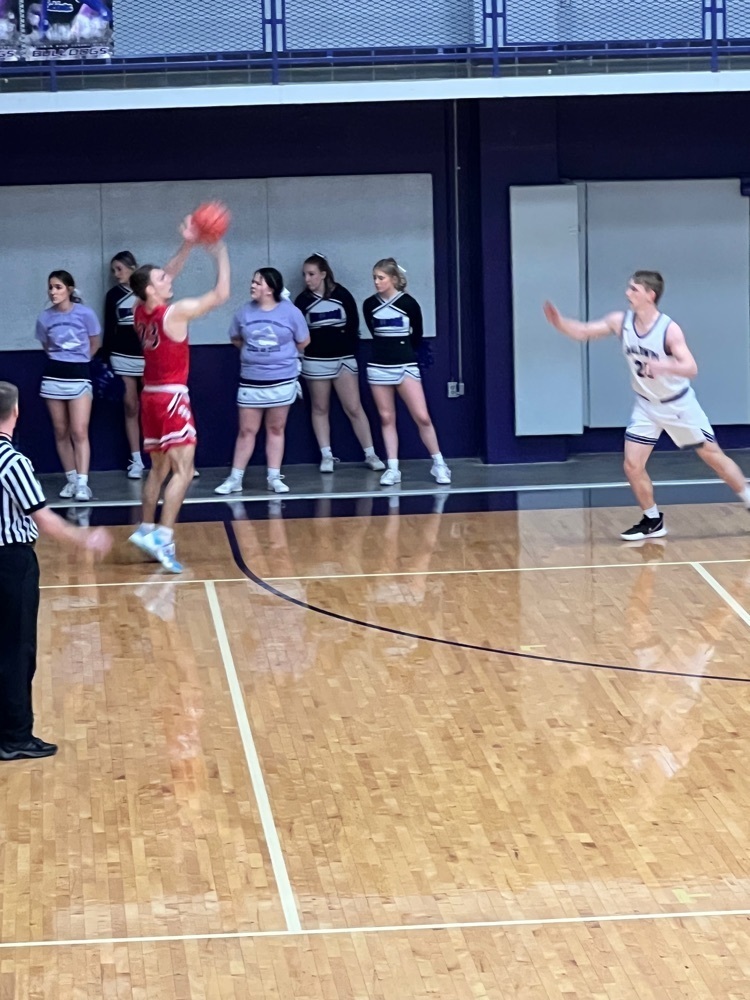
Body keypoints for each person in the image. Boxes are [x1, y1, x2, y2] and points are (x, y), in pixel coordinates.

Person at [543, 269, 750, 540]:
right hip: (646, 406)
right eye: (629, 288)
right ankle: (653, 520)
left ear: (650, 295)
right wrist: (559, 322)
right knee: (632, 465)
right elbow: (583, 332)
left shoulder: (668, 329)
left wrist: (664, 366)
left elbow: (691, 368)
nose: (627, 293)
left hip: (678, 405)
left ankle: (747, 497)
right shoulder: (621, 321)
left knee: (714, 458)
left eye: (634, 289)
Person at [0, 381, 111, 761]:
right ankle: (14, 737)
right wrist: (85, 539)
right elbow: (44, 519)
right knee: (16, 651)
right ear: (15, 413)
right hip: (10, 563)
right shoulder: (13, 462)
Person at [128, 218, 230, 573]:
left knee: (158, 469)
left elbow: (161, 275)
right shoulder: (176, 312)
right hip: (171, 397)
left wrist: (187, 244)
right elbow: (221, 295)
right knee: (184, 472)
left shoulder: (139, 309)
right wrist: (219, 251)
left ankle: (146, 528)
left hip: (150, 397)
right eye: (162, 278)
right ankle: (163, 536)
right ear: (151, 289)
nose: (169, 278)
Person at [215, 267, 310, 496]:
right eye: (253, 281)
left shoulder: (291, 312)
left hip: (282, 380)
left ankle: (274, 478)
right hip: (251, 382)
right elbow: (236, 338)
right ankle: (235, 479)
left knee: (276, 428)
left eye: (258, 282)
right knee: (247, 430)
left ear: (271, 288)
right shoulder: (244, 312)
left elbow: (303, 341)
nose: (253, 285)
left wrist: (280, 358)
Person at [362, 258, 451, 487]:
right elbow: (373, 332)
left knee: (422, 416)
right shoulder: (369, 304)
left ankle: (439, 463)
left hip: (405, 365)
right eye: (374, 278)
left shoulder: (408, 303)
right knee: (386, 417)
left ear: (393, 278)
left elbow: (416, 334)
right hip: (378, 366)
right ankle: (393, 468)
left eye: (381, 278)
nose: (376, 282)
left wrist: (403, 352)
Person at [295, 252, 384, 473]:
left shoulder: (342, 295)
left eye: (311, 274)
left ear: (324, 274)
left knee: (354, 407)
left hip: (343, 360)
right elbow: (298, 332)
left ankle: (370, 453)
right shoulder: (302, 301)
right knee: (320, 408)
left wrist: (347, 348)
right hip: (315, 362)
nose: (307, 279)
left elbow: (354, 325)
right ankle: (326, 455)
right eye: (305, 274)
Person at [36, 269, 101, 502]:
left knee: (79, 430)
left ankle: (83, 483)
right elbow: (46, 345)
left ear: (69, 289)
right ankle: (72, 480)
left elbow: (95, 343)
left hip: (79, 376)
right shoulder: (44, 318)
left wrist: (79, 362)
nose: (53, 292)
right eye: (50, 287)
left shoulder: (86, 314)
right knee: (60, 430)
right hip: (54, 376)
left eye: (58, 287)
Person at [102, 250, 145, 479]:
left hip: (147, 355)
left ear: (132, 268)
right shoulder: (113, 295)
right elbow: (110, 327)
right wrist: (106, 358)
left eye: (119, 269)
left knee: (155, 407)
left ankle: (171, 458)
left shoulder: (148, 292)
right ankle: (136, 460)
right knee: (130, 405)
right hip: (122, 355)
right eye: (113, 271)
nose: (116, 274)